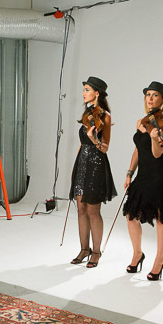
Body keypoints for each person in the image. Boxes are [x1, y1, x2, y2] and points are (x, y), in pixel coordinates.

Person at [123, 81, 163, 281]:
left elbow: (156, 154)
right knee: (131, 216)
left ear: (162, 100)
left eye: (155, 95)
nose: (150, 98)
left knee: (161, 218)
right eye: (148, 95)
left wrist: (154, 138)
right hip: (143, 174)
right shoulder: (141, 121)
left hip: (159, 174)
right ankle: (137, 254)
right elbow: (138, 149)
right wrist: (130, 172)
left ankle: (159, 261)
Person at [69, 76, 116, 268]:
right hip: (82, 164)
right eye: (84, 89)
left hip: (96, 165)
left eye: (87, 90)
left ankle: (96, 252)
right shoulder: (87, 114)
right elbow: (82, 145)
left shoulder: (105, 116)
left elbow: (105, 148)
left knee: (93, 210)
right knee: (80, 208)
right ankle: (84, 249)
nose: (83, 93)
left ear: (97, 93)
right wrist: (76, 167)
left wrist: (95, 139)